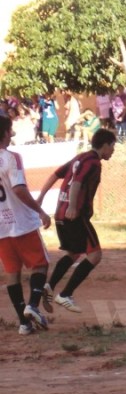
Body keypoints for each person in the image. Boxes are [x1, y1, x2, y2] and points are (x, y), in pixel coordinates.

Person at [33, 129, 117, 315]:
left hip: (60, 215)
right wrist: (72, 206)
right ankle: (66, 294)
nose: (113, 150)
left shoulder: (80, 157)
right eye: (112, 146)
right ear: (104, 145)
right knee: (95, 256)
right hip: (75, 216)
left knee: (73, 253)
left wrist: (40, 198)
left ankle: (49, 285)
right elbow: (77, 183)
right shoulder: (93, 163)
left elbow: (55, 174)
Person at [0, 114, 53, 335]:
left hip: (1, 227)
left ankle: (24, 323)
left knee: (13, 273)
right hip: (21, 222)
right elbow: (19, 189)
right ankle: (32, 305)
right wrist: (40, 210)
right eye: (10, 130)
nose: (12, 134)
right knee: (40, 265)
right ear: (4, 133)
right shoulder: (11, 157)